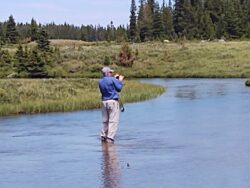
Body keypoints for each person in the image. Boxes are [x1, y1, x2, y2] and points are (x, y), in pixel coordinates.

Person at [98, 67, 124, 143]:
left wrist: (115, 79)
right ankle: (110, 138)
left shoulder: (100, 81)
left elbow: (108, 86)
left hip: (104, 102)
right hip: (113, 102)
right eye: (110, 72)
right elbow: (119, 88)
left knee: (105, 120)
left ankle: (103, 136)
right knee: (113, 121)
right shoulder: (112, 79)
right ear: (107, 73)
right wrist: (119, 81)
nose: (111, 74)